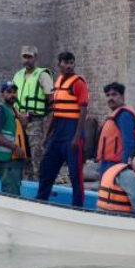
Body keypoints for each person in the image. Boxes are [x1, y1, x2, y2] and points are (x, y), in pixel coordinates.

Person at [37, 52, 88, 207]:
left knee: (75, 175)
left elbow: (83, 110)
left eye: (71, 62)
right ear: (59, 64)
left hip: (72, 130)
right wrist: (46, 136)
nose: (69, 65)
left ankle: (77, 207)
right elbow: (55, 111)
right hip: (58, 131)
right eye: (66, 62)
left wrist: (76, 137)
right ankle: (41, 200)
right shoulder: (58, 82)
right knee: (46, 167)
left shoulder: (78, 83)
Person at [13, 45, 54, 176]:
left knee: (37, 156)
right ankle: (27, 184)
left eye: (29, 57)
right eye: (24, 56)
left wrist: (48, 123)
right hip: (19, 122)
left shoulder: (42, 75)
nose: (27, 60)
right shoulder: (18, 75)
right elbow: (12, 97)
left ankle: (39, 185)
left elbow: (52, 100)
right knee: (22, 156)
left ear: (35, 58)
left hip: (36, 121)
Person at [0, 82, 29, 196]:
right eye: (8, 92)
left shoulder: (13, 110)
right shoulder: (1, 110)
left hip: (14, 159)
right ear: (2, 94)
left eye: (14, 92)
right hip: (7, 161)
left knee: (15, 190)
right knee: (11, 193)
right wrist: (15, 147)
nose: (12, 95)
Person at [96, 82, 135, 176]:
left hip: (116, 165)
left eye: (114, 94)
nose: (110, 98)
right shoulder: (114, 115)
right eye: (108, 95)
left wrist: (123, 167)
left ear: (122, 96)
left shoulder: (124, 115)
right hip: (107, 163)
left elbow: (129, 144)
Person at [97, 149, 135, 215]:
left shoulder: (115, 168)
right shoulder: (129, 175)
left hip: (101, 211)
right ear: (130, 160)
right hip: (117, 215)